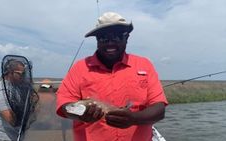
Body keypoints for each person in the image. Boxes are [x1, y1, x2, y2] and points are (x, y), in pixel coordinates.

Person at [56, 12, 168, 141]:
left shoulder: (144, 65)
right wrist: (81, 115)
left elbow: (159, 109)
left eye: (117, 37)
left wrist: (133, 119)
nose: (110, 43)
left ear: (127, 38)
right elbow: (64, 106)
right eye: (103, 37)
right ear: (97, 40)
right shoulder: (79, 68)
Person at [0, 57, 38, 141]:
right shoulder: (2, 90)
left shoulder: (16, 86)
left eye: (24, 73)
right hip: (4, 137)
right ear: (10, 72)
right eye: (20, 73)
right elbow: (10, 118)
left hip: (16, 136)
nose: (23, 76)